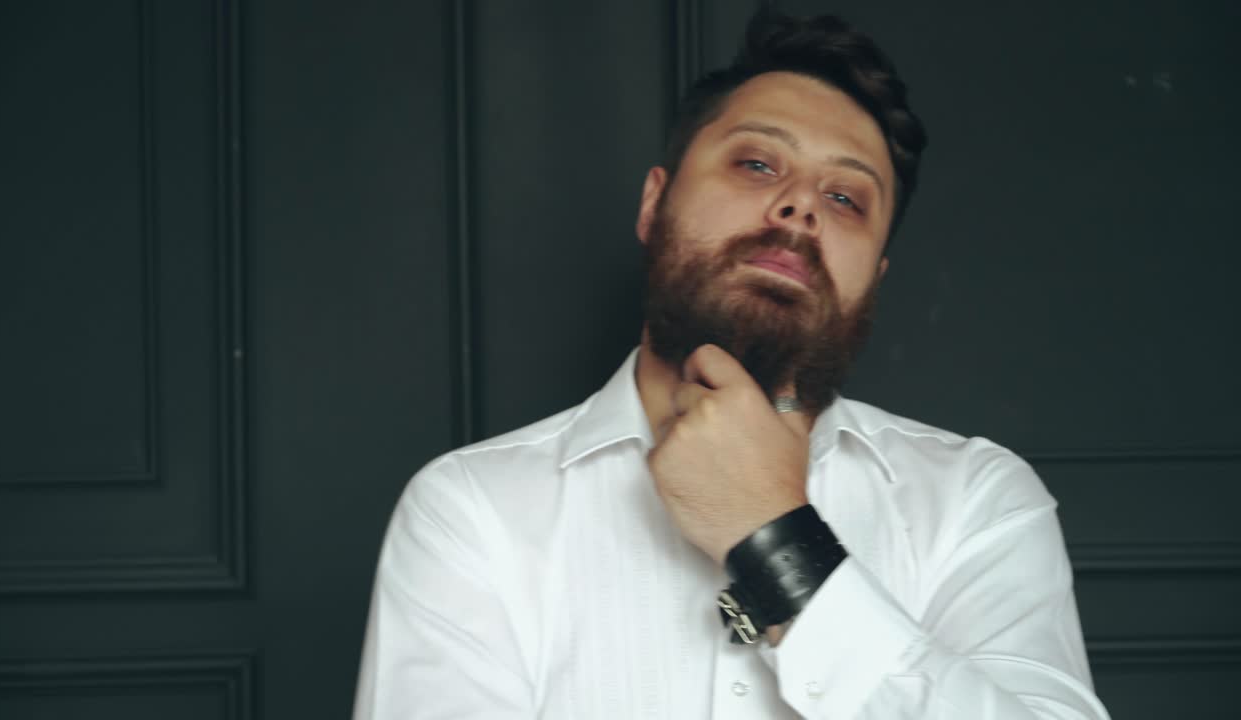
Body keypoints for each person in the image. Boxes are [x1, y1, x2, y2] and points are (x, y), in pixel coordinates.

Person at [353, 8, 1110, 719]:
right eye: (756, 163)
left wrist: (775, 535)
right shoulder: (473, 512)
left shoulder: (977, 503)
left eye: (846, 199)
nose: (799, 208)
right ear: (656, 205)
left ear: (874, 276)